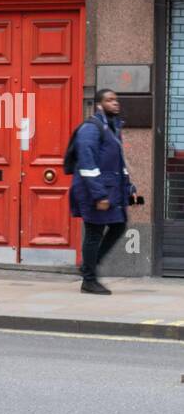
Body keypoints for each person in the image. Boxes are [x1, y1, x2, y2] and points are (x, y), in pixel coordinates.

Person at [69, 89, 135, 295]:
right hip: (93, 191)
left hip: (109, 189)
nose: (115, 103)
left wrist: (129, 188)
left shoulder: (112, 128)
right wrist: (99, 195)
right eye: (109, 100)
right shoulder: (91, 128)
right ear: (99, 105)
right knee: (94, 233)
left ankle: (89, 265)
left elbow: (118, 164)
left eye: (116, 99)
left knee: (118, 225)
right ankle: (88, 280)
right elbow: (87, 164)